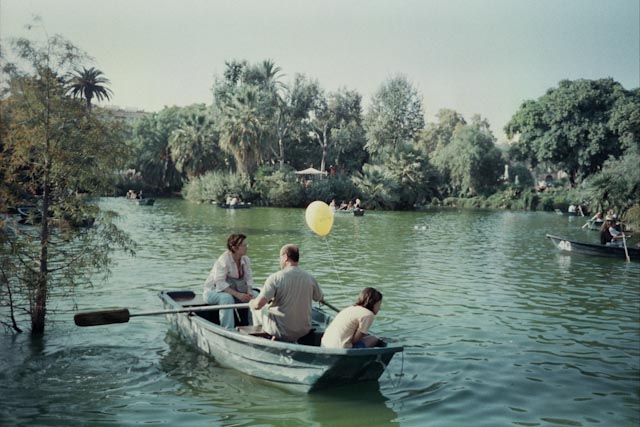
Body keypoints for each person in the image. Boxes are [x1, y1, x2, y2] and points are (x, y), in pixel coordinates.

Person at [250, 244, 324, 342]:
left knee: (257, 308)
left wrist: (251, 303)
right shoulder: (310, 278)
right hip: (303, 330)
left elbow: (258, 305)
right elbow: (319, 297)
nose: (279, 260)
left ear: (285, 257)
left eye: (279, 257)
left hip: (282, 330)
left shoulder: (275, 278)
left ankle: (259, 340)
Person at [203, 233, 255, 329]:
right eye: (244, 245)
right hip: (213, 292)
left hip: (233, 291)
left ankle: (253, 327)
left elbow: (249, 278)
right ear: (234, 248)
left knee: (256, 296)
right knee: (226, 298)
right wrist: (239, 295)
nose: (247, 247)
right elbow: (220, 283)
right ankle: (228, 329)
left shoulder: (246, 259)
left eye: (246, 244)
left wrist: (249, 292)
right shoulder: (224, 260)